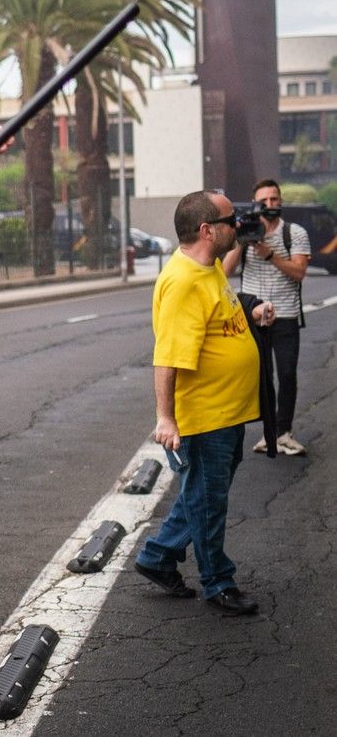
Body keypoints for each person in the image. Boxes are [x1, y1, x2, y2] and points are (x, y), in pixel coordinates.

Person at [134, 190, 273, 616]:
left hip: (227, 412)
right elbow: (168, 357)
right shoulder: (182, 282)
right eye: (231, 221)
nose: (240, 226)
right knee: (209, 501)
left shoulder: (209, 269)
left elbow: (218, 321)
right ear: (207, 230)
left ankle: (158, 557)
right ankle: (218, 582)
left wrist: (249, 313)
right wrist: (166, 419)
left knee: (201, 495)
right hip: (205, 417)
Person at [221, 178, 310, 456]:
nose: (270, 205)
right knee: (262, 377)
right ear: (255, 203)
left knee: (286, 374)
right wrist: (241, 240)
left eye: (274, 200)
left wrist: (269, 253)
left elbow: (298, 271)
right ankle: (268, 434)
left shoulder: (294, 233)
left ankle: (284, 432)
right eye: (264, 201)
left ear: (280, 202)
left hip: (285, 315)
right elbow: (225, 272)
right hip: (254, 316)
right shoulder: (245, 231)